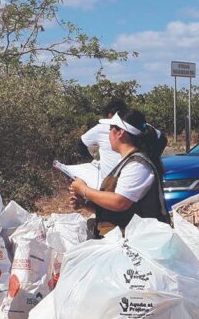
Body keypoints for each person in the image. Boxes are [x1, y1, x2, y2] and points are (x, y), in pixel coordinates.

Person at [69, 108, 170, 237]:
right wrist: (85, 205)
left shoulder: (137, 165)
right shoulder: (128, 162)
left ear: (120, 133)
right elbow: (121, 211)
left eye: (111, 129)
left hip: (136, 243)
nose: (109, 133)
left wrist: (84, 190)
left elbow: (120, 202)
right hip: (124, 240)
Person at [79, 98, 128, 178]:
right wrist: (92, 164)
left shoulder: (131, 130)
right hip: (106, 181)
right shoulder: (100, 128)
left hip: (127, 177)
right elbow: (81, 144)